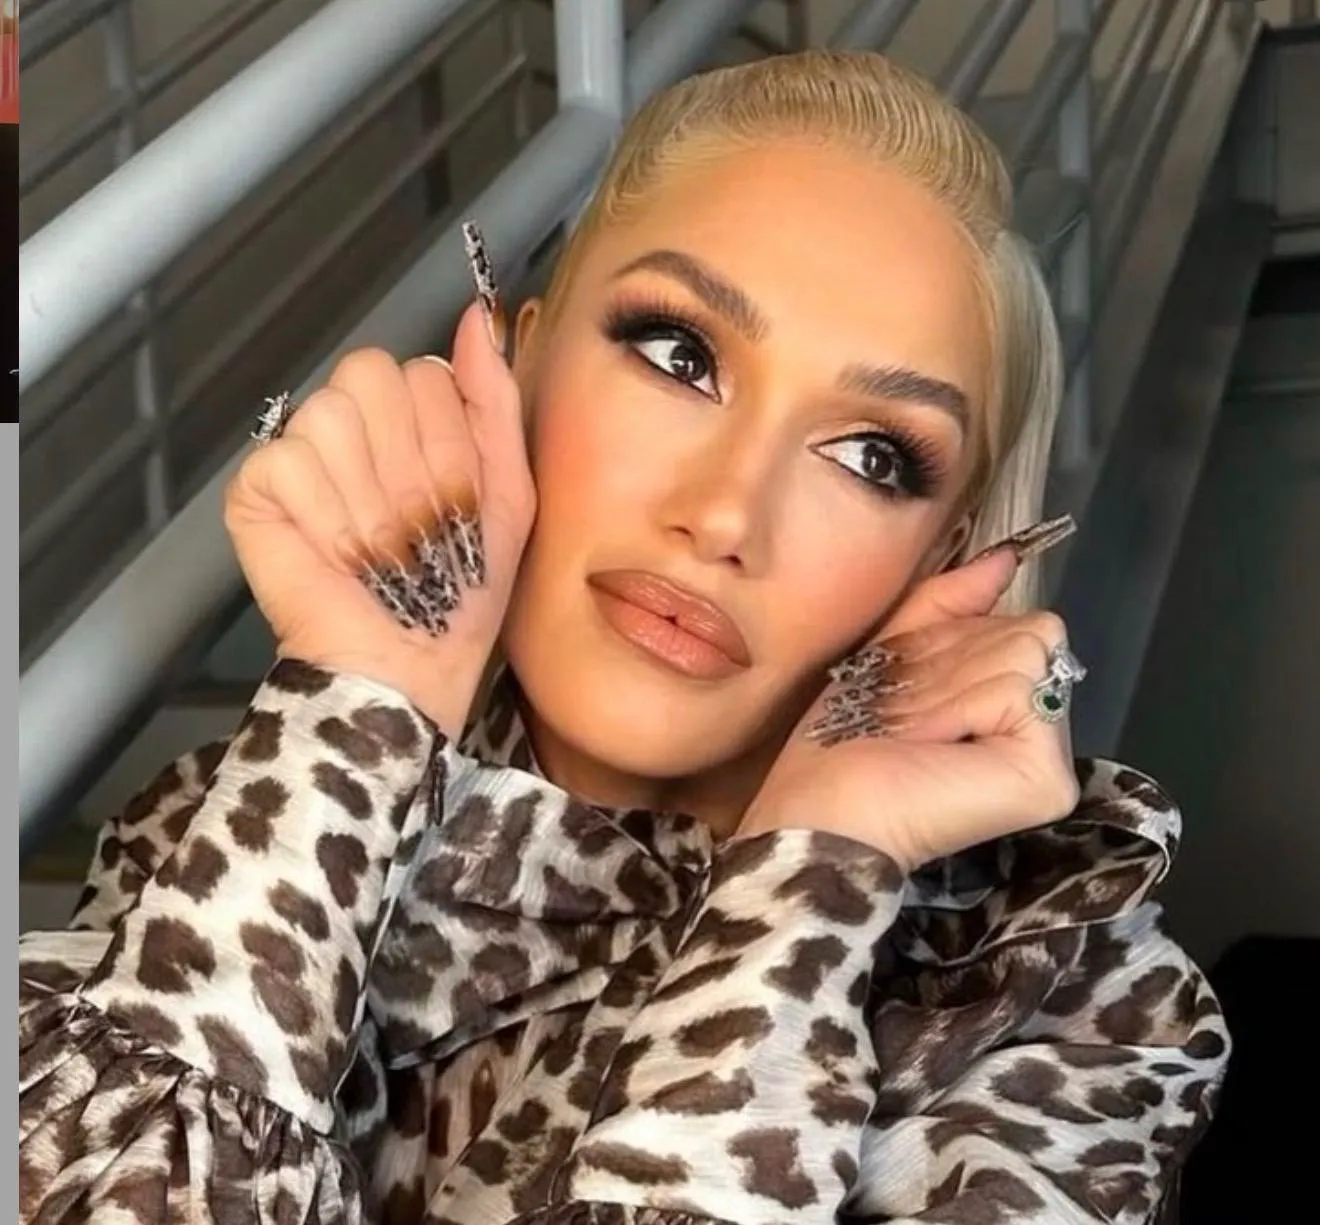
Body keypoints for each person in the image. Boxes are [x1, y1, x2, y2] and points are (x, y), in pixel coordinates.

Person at [19, 49, 1226, 1225]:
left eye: (872, 457)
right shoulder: (235, 830)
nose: (727, 515)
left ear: (946, 556)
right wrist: (357, 708)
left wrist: (806, 887)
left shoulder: (1043, 994)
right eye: (680, 355)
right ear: (521, 357)